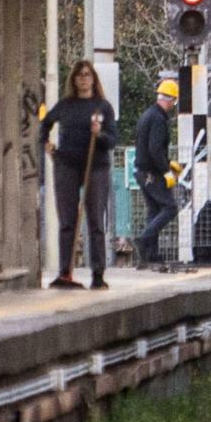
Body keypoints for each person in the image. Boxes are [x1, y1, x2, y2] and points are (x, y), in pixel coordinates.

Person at [40, 60, 117, 289]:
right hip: (67, 165)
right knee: (67, 221)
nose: (84, 79)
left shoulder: (103, 107)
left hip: (96, 165)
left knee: (95, 221)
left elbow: (112, 140)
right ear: (73, 79)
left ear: (93, 79)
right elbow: (45, 124)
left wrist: (99, 134)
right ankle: (65, 272)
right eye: (79, 75)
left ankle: (98, 274)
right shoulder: (65, 105)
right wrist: (46, 144)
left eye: (87, 75)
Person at [134, 78, 180, 265]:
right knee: (170, 207)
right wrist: (166, 171)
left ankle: (151, 255)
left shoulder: (147, 115)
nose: (173, 106)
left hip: (142, 172)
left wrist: (169, 163)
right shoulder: (159, 119)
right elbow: (155, 149)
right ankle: (145, 239)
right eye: (174, 102)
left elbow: (148, 147)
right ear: (170, 99)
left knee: (154, 210)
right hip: (152, 173)